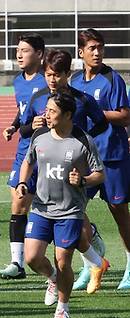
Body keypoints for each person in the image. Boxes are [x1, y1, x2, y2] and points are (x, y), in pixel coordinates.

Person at [17, 49, 110, 292]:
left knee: (71, 218)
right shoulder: (38, 98)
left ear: (68, 74)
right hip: (44, 162)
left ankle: (86, 268)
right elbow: (24, 129)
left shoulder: (82, 100)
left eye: (57, 75)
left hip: (73, 168)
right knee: (63, 222)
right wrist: (31, 125)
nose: (52, 80)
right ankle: (94, 262)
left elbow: (100, 123)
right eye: (48, 74)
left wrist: (81, 145)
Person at [70, 28, 130, 290]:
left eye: (100, 47)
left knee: (120, 213)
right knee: (73, 212)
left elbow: (125, 115)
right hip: (85, 158)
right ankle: (92, 262)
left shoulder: (112, 79)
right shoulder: (75, 81)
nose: (97, 52)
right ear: (81, 52)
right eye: (91, 48)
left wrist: (96, 113)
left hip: (112, 156)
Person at [0, 33, 47, 279]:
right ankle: (17, 263)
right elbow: (22, 111)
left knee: (52, 203)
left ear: (39, 54)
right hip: (24, 149)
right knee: (18, 203)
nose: (19, 54)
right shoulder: (18, 81)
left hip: (46, 149)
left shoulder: (48, 81)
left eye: (25, 50)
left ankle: (88, 235)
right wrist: (14, 127)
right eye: (18, 50)